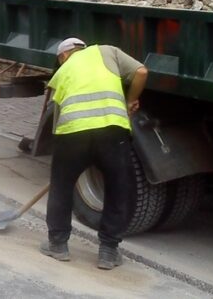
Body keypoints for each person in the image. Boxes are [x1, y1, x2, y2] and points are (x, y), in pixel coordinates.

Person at [40, 37, 148, 270]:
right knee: (118, 188)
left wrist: (63, 158)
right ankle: (108, 252)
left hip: (72, 135)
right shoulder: (108, 50)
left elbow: (57, 118)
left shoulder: (62, 72)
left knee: (61, 186)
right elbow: (141, 71)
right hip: (112, 131)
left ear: (63, 56)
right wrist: (131, 100)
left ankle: (58, 246)